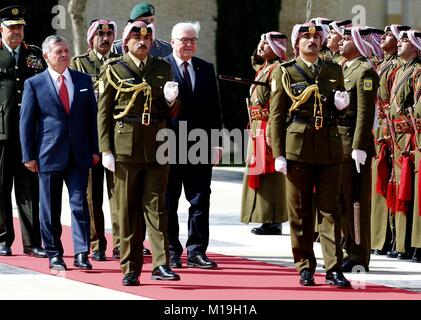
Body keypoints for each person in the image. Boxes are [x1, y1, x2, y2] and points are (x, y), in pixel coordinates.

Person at [97, 20, 181, 286]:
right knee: (128, 210)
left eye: (146, 39)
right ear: (127, 41)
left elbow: (171, 114)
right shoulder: (114, 69)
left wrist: (171, 101)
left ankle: (160, 264)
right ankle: (130, 267)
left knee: (157, 209)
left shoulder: (162, 68)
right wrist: (106, 149)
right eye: (136, 38)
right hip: (125, 148)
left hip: (157, 147)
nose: (142, 42)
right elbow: (103, 113)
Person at [270, 22, 350, 287]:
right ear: (297, 43)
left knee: (331, 210)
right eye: (306, 37)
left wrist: (341, 108)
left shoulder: (333, 70)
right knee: (300, 211)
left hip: (328, 147)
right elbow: (277, 116)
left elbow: (338, 109)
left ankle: (333, 267)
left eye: (316, 37)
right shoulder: (286, 72)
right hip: (297, 149)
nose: (312, 41)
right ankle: (304, 265)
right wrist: (278, 153)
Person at [19, 35, 99, 271]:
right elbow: (26, 123)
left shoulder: (83, 80)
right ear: (46, 56)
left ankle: (82, 252)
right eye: (58, 51)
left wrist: (95, 149)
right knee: (50, 207)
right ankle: (54, 252)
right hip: (49, 154)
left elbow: (91, 119)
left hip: (79, 154)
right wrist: (28, 155)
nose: (64, 55)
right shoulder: (34, 84)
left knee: (79, 204)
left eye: (66, 50)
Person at [165, 21, 223, 269]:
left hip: (200, 144)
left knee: (200, 200)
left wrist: (217, 143)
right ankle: (171, 250)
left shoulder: (205, 68)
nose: (188, 44)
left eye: (192, 40)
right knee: (169, 201)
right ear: (172, 42)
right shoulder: (162, 68)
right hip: (168, 145)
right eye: (183, 40)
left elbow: (214, 109)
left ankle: (197, 250)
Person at [70, 19, 120, 262]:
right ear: (91, 38)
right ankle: (96, 243)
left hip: (116, 138)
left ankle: (122, 243)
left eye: (109, 33)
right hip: (90, 138)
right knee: (91, 197)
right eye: (100, 34)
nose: (105, 38)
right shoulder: (79, 64)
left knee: (119, 194)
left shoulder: (121, 63)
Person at [0, 5, 47, 258]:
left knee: (29, 188)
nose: (17, 32)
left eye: (20, 27)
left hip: (29, 132)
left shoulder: (35, 55)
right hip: (2, 131)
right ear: (1, 29)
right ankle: (3, 238)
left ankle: (32, 242)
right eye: (11, 27)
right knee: (0, 186)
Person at [337, 26, 379, 272]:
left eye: (346, 39)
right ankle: (347, 246)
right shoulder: (345, 67)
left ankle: (359, 253)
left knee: (356, 203)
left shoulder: (364, 72)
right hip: (339, 143)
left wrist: (359, 146)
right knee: (342, 202)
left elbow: (365, 113)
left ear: (358, 43)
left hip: (354, 145)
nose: (341, 43)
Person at [240, 32, 288, 236]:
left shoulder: (277, 70)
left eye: (265, 44)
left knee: (269, 176)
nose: (261, 46)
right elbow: (255, 59)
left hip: (267, 126)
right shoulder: (263, 68)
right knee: (257, 171)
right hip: (257, 125)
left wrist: (270, 131)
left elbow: (276, 103)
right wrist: (260, 45)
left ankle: (273, 219)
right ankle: (263, 217)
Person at [371, 24, 410, 257]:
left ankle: (392, 239)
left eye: (389, 36)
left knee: (393, 181)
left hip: (395, 130)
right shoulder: (385, 65)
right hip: (383, 128)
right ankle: (382, 238)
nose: (384, 38)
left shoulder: (401, 68)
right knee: (383, 181)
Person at [387, 29, 421, 260]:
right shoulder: (402, 71)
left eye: (405, 40)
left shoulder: (417, 71)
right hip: (398, 137)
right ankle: (402, 243)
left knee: (412, 189)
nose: (400, 43)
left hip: (412, 138)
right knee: (401, 188)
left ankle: (413, 243)